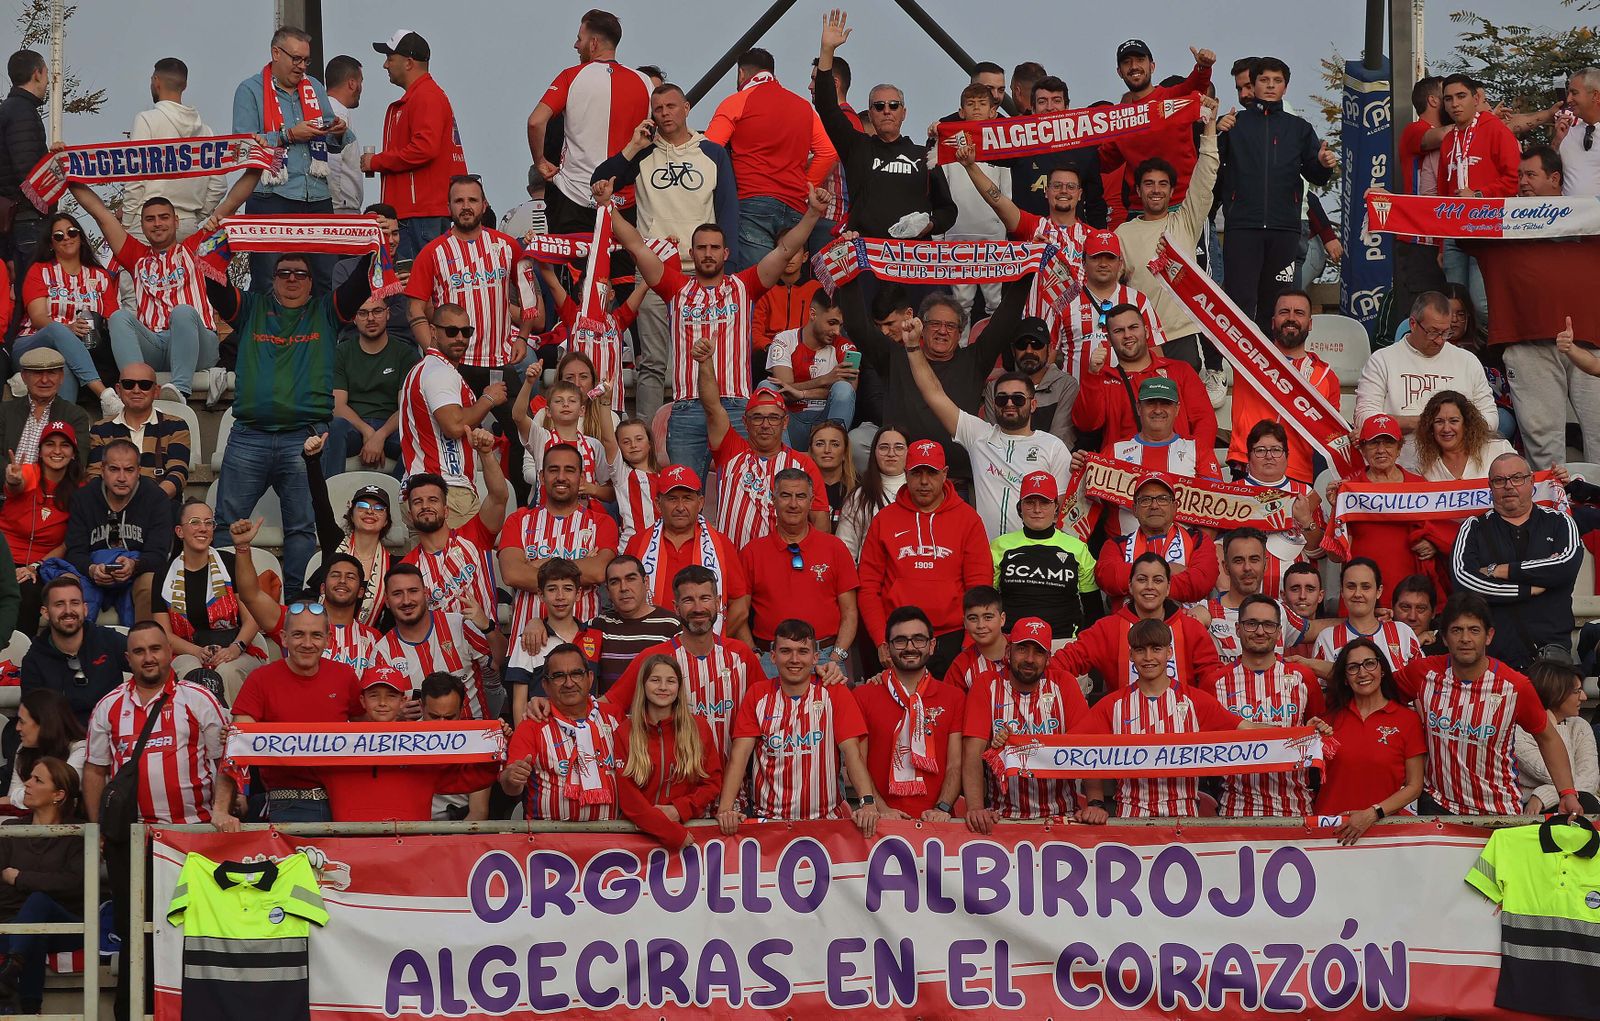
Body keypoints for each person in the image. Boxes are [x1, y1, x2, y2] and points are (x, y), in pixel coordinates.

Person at [609, 179, 827, 479]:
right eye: (702, 248)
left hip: (736, 406)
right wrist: (607, 206)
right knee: (683, 494)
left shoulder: (745, 285)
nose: (708, 253)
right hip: (686, 408)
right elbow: (635, 245)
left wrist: (813, 213)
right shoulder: (676, 288)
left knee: (740, 491)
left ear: (726, 253)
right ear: (692, 252)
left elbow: (787, 249)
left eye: (714, 248)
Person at [83, 620, 234, 1021]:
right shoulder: (109, 706)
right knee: (136, 933)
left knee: (198, 930)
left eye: (156, 648)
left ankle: (199, 1011)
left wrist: (221, 809)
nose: (149, 657)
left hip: (194, 838)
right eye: (139, 651)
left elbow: (228, 761)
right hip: (133, 841)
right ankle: (134, 1012)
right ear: (127, 657)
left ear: (170, 653)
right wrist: (99, 827)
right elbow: (95, 771)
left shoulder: (199, 699)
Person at [206, 250, 373, 595]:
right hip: (249, 436)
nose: (292, 278)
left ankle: (296, 601)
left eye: (300, 273)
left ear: (312, 283)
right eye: (284, 273)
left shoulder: (325, 311)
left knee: (301, 528)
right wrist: (222, 240)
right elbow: (215, 282)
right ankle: (225, 599)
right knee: (225, 526)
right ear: (273, 279)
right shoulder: (252, 308)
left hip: (305, 439)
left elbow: (358, 287)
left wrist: (370, 249)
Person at [591, 82, 739, 421]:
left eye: (671, 107)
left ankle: (705, 425)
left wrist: (726, 269)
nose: (665, 113)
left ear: (686, 108)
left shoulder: (713, 152)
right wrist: (633, 146)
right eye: (658, 109)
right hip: (654, 270)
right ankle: (644, 435)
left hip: (702, 270)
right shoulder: (643, 152)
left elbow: (728, 209)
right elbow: (599, 180)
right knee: (653, 359)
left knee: (704, 356)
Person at [1394, 592, 1583, 816]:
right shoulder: (1422, 673)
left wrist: (1567, 793)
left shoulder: (1515, 686)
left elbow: (1548, 737)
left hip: (1497, 810)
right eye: (1456, 630)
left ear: (1489, 636)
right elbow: (1379, 699)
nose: (1465, 638)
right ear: (1444, 637)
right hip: (1437, 805)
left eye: (1474, 630)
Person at [840, 271, 1028, 487]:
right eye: (934, 324)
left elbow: (1007, 317)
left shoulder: (975, 360)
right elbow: (856, 325)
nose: (942, 331)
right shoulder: (894, 358)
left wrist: (1029, 270)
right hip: (902, 483)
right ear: (921, 326)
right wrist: (849, 272)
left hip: (958, 486)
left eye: (950, 326)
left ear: (960, 333)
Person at [903, 315, 1071, 538]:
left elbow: (1062, 510)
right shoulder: (978, 435)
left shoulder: (1053, 447)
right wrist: (914, 346)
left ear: (1033, 404)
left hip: (1032, 558)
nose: (1009, 404)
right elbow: (933, 393)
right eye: (1002, 399)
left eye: (1018, 399)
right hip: (986, 555)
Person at [1072, 617, 1257, 818]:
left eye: (1156, 649)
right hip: (1130, 821)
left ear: (1169, 652)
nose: (1148, 657)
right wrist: (1097, 803)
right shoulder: (1112, 705)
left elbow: (1246, 729)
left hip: (1184, 821)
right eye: (1140, 650)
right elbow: (1079, 748)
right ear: (1131, 655)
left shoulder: (1196, 701)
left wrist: (1296, 737)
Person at [717, 619, 883, 835]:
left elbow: (853, 755)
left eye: (802, 651)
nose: (794, 659)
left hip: (826, 822)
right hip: (768, 823)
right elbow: (739, 756)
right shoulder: (757, 694)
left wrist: (867, 803)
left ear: (815, 657)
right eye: (786, 651)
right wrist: (725, 809)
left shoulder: (834, 692)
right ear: (773, 656)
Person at [406, 176, 527, 458]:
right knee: (452, 441)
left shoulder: (507, 246)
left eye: (472, 200)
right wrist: (434, 353)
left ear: (484, 205)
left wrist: (523, 335)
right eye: (459, 201)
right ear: (448, 207)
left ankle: (526, 502)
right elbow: (414, 309)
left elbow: (530, 298)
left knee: (524, 440)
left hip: (499, 362)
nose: (466, 206)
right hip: (454, 367)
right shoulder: (432, 252)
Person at [814, 10, 955, 240]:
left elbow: (948, 210)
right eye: (879, 106)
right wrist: (827, 51)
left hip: (910, 262)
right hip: (868, 259)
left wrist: (929, 225)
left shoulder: (924, 156)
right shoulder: (857, 147)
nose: (887, 110)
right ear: (870, 113)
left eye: (893, 105)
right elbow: (827, 107)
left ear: (904, 112)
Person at [858, 440, 992, 678]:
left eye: (931, 472)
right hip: (898, 638)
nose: (923, 481)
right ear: (905, 474)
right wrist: (881, 639)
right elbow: (868, 587)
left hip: (950, 637)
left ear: (945, 474)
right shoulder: (884, 520)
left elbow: (979, 587)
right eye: (916, 473)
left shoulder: (967, 519)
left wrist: (970, 641)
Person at [1219, 57, 1337, 325]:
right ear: (1254, 84)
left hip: (1284, 229)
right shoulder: (1234, 124)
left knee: (1277, 304)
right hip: (1242, 227)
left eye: (1277, 81)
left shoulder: (1300, 128)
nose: (1270, 86)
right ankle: (1235, 365)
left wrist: (1323, 164)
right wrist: (1214, 131)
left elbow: (1314, 177)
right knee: (1239, 301)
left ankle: (1270, 364)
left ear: (1285, 86)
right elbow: (1212, 171)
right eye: (1264, 80)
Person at [233, 26, 350, 290]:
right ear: (276, 52)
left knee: (326, 280)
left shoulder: (315, 87)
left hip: (317, 196)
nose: (301, 66)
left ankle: (324, 332)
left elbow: (333, 141)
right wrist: (287, 135)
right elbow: (243, 146)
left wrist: (338, 132)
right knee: (267, 280)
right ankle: (265, 332)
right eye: (295, 58)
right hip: (271, 197)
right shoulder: (250, 90)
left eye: (306, 60)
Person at [226, 598, 364, 822]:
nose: (307, 643)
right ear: (283, 638)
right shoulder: (261, 680)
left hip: (345, 797)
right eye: (298, 634)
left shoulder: (345, 676)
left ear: (328, 640)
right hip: (287, 800)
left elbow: (371, 730)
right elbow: (237, 745)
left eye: (316, 635)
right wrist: (228, 804)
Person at [608, 565, 767, 758]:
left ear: (718, 603)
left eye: (705, 598)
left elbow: (770, 707)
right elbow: (610, 704)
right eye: (688, 600)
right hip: (675, 783)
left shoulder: (741, 654)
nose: (698, 608)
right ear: (676, 607)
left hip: (736, 782)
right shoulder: (654, 658)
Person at [315, 664, 502, 823]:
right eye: (374, 695)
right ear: (362, 700)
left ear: (402, 700)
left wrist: (496, 745)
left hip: (411, 847)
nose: (382, 702)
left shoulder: (420, 744)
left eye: (391, 695)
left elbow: (475, 778)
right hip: (352, 844)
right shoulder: (340, 743)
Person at [703, 48, 836, 268]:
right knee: (785, 287)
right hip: (795, 208)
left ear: (741, 74)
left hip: (752, 203)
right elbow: (828, 152)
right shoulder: (803, 107)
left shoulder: (737, 101)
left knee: (756, 286)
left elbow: (709, 149)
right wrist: (806, 187)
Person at [1117, 97, 1222, 372]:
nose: (1155, 190)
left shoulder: (1185, 222)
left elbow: (1206, 175)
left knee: (1183, 410)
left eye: (1163, 184)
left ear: (1172, 191)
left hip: (1183, 334)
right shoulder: (1122, 234)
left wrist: (1210, 127)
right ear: (1138, 191)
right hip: (1140, 340)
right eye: (1148, 184)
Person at [1449, 453, 1582, 668]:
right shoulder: (1473, 527)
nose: (1508, 486)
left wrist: (1496, 570)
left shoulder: (1559, 521)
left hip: (1550, 658)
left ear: (1531, 482)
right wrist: (1526, 590)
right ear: (1490, 486)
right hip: (1492, 659)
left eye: (1517, 478)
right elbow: (1464, 582)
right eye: (1499, 480)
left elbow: (1565, 566)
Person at [1202, 594, 1329, 818]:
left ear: (1279, 632)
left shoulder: (1303, 678)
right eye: (1252, 624)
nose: (1260, 632)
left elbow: (1319, 735)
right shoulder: (1214, 682)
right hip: (1234, 809)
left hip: (1296, 808)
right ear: (1238, 628)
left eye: (1269, 625)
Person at [961, 617, 1093, 831]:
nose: (1030, 659)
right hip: (1002, 817)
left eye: (1039, 652)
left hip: (1062, 815)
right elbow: (972, 752)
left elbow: (1087, 748)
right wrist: (976, 807)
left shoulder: (1064, 683)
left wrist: (1094, 802)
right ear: (1008, 652)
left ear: (1048, 658)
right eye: (1022, 649)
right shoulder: (987, 685)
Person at [694, 343, 830, 548]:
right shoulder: (730, 450)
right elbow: (712, 407)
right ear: (745, 422)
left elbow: (820, 520)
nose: (765, 425)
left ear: (785, 422)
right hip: (733, 565)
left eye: (773, 418)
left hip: (781, 567)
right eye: (757, 417)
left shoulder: (803, 465)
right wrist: (705, 362)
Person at [527, 10, 652, 234]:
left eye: (579, 39)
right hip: (625, 199)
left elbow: (535, 122)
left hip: (575, 194)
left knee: (575, 269)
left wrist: (540, 160)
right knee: (620, 269)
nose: (576, 45)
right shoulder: (644, 81)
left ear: (593, 43)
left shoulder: (571, 76)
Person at [950, 135, 1089, 331]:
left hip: (1078, 331)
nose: (1063, 191)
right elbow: (996, 200)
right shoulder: (1032, 226)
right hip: (1034, 335)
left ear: (1080, 194)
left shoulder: (1093, 237)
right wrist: (970, 166)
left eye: (1070, 187)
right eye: (1056, 186)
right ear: (1046, 191)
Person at [499, 443, 618, 656]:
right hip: (526, 649)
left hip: (583, 648)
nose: (561, 477)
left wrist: (536, 565)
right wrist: (579, 568)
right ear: (542, 477)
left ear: (581, 479)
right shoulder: (518, 520)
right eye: (553, 470)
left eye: (569, 470)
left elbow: (599, 571)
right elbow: (512, 574)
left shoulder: (602, 523)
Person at [1324, 414, 1454, 605]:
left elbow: (1443, 532)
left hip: (1411, 595)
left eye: (1389, 443)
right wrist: (1337, 508)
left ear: (1399, 448)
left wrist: (1434, 543)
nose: (1381, 450)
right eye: (1373, 444)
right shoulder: (1351, 488)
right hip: (1364, 596)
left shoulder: (1418, 485)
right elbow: (1334, 556)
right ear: (1362, 449)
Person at [735, 468, 857, 671]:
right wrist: (753, 654)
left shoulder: (835, 548)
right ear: (773, 500)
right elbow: (739, 613)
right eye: (785, 496)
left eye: (800, 496)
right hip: (770, 660)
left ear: (811, 502)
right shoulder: (752, 552)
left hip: (825, 659)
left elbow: (850, 611)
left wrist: (837, 656)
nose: (793, 504)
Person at [1052, 552, 1220, 696]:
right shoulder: (1107, 628)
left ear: (1168, 588)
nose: (1149, 586)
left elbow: (1213, 680)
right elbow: (1063, 663)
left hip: (1181, 726)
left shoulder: (1191, 627)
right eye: (1142, 579)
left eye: (1158, 580)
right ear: (1130, 587)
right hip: (1123, 727)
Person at [362, 30, 467, 260]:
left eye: (390, 58)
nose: (385, 65)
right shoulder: (421, 96)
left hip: (420, 216)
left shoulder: (425, 96)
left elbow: (424, 148)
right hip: (418, 215)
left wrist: (376, 161)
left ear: (408, 62)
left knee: (411, 289)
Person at [854, 606, 966, 820]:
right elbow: (858, 761)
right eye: (901, 640)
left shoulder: (954, 697)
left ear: (932, 646)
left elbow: (955, 763)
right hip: (881, 822)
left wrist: (942, 808)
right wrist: (881, 809)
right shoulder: (863, 695)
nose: (910, 647)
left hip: (937, 822)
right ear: (887, 649)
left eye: (918, 639)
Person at [231, 518, 381, 676]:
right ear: (322, 587)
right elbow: (250, 596)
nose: (342, 581)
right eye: (335, 575)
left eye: (350, 577)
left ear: (361, 592)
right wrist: (242, 548)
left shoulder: (373, 638)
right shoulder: (293, 621)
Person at [398, 303, 505, 523]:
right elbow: (454, 426)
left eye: (466, 332)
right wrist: (489, 399)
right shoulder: (439, 372)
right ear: (433, 331)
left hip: (425, 489)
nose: (460, 338)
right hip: (446, 490)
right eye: (451, 331)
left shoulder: (427, 369)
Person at [1313, 638, 1427, 844]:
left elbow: (1414, 786)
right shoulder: (1326, 721)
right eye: (1353, 667)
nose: (1363, 673)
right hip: (1329, 833)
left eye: (1370, 664)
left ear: (1382, 670)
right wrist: (1310, 736)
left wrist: (1372, 814)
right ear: (1345, 678)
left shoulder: (1408, 720)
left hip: (1383, 835)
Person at [152, 498, 263, 703]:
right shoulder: (164, 575)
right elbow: (163, 634)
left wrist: (235, 648)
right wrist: (197, 651)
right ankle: (195, 729)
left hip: (235, 645)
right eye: (194, 522)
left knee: (228, 670)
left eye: (208, 522)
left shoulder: (229, 563)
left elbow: (254, 617)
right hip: (187, 650)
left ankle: (234, 730)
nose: (203, 528)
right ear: (179, 531)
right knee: (189, 669)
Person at [0, 756, 85, 1014]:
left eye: (37, 780)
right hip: (17, 925)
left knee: (39, 902)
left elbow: (73, 883)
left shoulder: (78, 832)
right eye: (29, 778)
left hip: (66, 924)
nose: (27, 784)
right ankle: (27, 1008)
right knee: (33, 932)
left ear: (58, 794)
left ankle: (10, 981)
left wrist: (21, 878)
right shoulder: (11, 829)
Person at [1226, 290, 1339, 483]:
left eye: (1299, 313)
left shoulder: (1327, 376)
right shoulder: (1247, 355)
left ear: (1310, 324)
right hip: (1248, 464)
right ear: (1272, 321)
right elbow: (1213, 316)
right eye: (1284, 312)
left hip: (1299, 473)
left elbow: (1329, 438)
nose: (1291, 318)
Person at [1356, 292, 1497, 444]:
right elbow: (1364, 418)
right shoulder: (1382, 359)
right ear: (1413, 324)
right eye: (1433, 332)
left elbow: (1490, 419)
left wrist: (1451, 426)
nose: (1440, 340)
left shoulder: (1467, 361)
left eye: (1446, 333)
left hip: (1457, 455)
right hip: (1401, 457)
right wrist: (1420, 422)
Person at [1072, 304, 1215, 455]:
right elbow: (1086, 424)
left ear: (1146, 332)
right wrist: (1092, 375)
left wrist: (1194, 459)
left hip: (1176, 470)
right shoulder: (1103, 379)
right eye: (1118, 331)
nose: (1127, 335)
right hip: (1124, 471)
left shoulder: (1180, 370)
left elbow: (1204, 421)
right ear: (1108, 339)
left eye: (1133, 327)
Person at [15, 212, 120, 413]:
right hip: (33, 342)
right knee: (57, 329)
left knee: (64, 367)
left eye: (72, 232)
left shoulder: (100, 276)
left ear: (80, 238)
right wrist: (68, 328)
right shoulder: (40, 270)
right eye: (58, 236)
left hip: (76, 354)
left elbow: (111, 318)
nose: (67, 238)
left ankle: (64, 428)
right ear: (51, 244)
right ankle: (105, 394)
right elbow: (37, 318)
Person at [1100, 39, 1217, 220]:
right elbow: (1104, 161)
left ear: (1152, 66)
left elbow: (1195, 86)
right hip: (1140, 211)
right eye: (1126, 62)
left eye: (1140, 60)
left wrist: (1203, 67)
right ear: (1119, 72)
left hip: (1183, 205)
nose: (1134, 66)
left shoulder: (1171, 97)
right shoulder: (1118, 118)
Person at [615, 653, 723, 846]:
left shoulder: (698, 727)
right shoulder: (625, 732)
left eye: (671, 681)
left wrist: (679, 809)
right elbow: (628, 798)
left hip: (686, 831)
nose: (663, 687)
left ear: (679, 687)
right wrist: (669, 831)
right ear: (643, 685)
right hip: (638, 837)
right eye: (655, 680)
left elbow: (712, 783)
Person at [1437, 73, 1519, 324]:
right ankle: (1463, 359)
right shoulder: (1449, 139)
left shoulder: (1496, 130)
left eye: (1461, 96)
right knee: (1454, 308)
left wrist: (1479, 195)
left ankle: (1491, 360)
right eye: (1448, 99)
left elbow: (1514, 180)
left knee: (1482, 305)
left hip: (1487, 227)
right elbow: (1442, 192)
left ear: (1477, 98)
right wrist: (1442, 242)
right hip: (1453, 232)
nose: (1454, 104)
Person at [64, 439, 172, 624]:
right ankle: (77, 648)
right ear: (102, 470)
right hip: (93, 572)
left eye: (129, 470)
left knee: (149, 582)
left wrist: (134, 565)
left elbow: (159, 554)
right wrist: (91, 570)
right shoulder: (83, 498)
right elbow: (74, 551)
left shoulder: (156, 498)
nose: (122, 478)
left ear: (139, 471)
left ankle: (142, 645)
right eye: (114, 469)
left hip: (137, 572)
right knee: (66, 581)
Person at [123, 58, 226, 241]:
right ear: (184, 86)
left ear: (156, 81)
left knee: (139, 270)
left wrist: (127, 221)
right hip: (187, 225)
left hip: (146, 222)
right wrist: (194, 216)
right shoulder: (206, 131)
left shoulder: (146, 120)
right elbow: (219, 185)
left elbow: (136, 178)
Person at [990, 471, 1100, 641]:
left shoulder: (1077, 549)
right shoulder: (999, 546)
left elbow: (1093, 608)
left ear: (1056, 506)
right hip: (1011, 642)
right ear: (1020, 507)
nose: (1037, 510)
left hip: (1064, 644)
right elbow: (986, 602)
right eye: (1029, 502)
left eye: (1044, 502)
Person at [623, 466, 744, 618]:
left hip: (707, 639)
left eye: (687, 498)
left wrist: (713, 640)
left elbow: (740, 600)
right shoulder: (638, 543)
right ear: (658, 504)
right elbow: (623, 596)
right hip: (650, 640)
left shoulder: (721, 543)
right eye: (672, 499)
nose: (680, 507)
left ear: (700, 503)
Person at [1051, 230, 1167, 380]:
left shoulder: (1138, 300)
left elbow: (1155, 353)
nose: (1103, 264)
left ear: (1120, 263)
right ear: (1083, 262)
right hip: (1080, 399)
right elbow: (1049, 357)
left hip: (1130, 399)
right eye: (1096, 257)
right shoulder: (1064, 302)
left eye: (1110, 258)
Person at [937, 84, 1009, 323]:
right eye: (971, 104)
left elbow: (1006, 192)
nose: (976, 109)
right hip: (958, 235)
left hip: (993, 235)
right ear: (961, 111)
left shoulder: (1000, 144)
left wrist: (1007, 229)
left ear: (993, 111)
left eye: (982, 104)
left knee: (996, 303)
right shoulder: (947, 145)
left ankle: (999, 357)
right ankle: (959, 354)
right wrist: (940, 237)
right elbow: (941, 193)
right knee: (961, 304)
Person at [398, 466, 507, 619]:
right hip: (438, 641)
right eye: (417, 502)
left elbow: (498, 497)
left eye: (433, 500)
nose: (425, 506)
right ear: (410, 516)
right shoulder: (407, 568)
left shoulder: (475, 535)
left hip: (487, 640)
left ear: (446, 510)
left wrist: (486, 453)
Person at [328, 295, 418, 477]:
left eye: (377, 311)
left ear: (388, 314)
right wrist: (367, 431)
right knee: (333, 428)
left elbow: (405, 407)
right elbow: (337, 406)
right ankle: (327, 498)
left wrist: (380, 435)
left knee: (419, 437)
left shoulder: (406, 354)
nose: (370, 318)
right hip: (352, 426)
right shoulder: (341, 353)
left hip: (392, 427)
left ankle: (397, 497)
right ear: (354, 318)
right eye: (363, 313)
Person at [1094, 474, 1219, 606]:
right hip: (1128, 625)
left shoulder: (1197, 540)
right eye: (1145, 500)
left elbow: (1200, 583)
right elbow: (1107, 578)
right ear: (1135, 509)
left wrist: (1138, 579)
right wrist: (1169, 571)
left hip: (1183, 624)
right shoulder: (1116, 545)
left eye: (1162, 499)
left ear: (1175, 507)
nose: (1154, 505)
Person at [19, 576, 125, 726]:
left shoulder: (108, 639)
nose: (68, 611)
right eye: (59, 604)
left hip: (113, 732)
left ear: (85, 609)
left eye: (75, 603)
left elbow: (149, 668)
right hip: (63, 739)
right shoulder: (34, 660)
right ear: (45, 612)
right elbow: (33, 717)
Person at [1237, 420, 1327, 595]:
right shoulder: (1233, 493)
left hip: (1297, 598)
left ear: (1287, 455)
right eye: (1260, 450)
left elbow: (1318, 553)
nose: (1269, 456)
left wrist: (1306, 521)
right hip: (1245, 597)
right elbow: (1218, 549)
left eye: (1276, 450)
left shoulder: (1306, 494)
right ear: (1249, 455)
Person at [507, 559, 602, 721]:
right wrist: (521, 743)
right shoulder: (527, 640)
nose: (560, 596)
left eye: (567, 589)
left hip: (586, 733)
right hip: (542, 735)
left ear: (578, 594)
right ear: (540, 595)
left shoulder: (595, 637)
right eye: (552, 589)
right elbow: (519, 703)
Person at [1201, 527, 1310, 664]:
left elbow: (1314, 630)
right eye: (1238, 561)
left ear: (1265, 564)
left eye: (1254, 559)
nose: (1247, 568)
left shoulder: (1279, 609)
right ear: (1226, 567)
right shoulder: (1205, 612)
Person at [764, 290, 857, 447]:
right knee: (766, 387)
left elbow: (848, 394)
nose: (837, 331)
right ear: (813, 314)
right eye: (832, 323)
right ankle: (784, 465)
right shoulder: (784, 340)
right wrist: (825, 380)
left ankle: (830, 455)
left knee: (843, 389)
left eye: (840, 325)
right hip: (790, 421)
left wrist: (801, 394)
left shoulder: (847, 347)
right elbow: (783, 391)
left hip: (825, 422)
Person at [87, 362, 190, 502]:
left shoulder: (176, 426)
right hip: (113, 507)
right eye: (129, 384)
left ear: (156, 391)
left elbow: (178, 474)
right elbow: (95, 476)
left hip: (160, 508)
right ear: (118, 389)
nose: (136, 390)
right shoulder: (100, 429)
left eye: (145, 385)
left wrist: (146, 505)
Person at [587, 556, 682, 694]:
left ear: (646, 582)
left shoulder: (672, 625)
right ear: (607, 591)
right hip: (610, 714)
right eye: (615, 582)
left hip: (655, 715)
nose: (624, 588)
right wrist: (542, 623)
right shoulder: (598, 625)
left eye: (631, 579)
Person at [1308, 558, 1423, 673]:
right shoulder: (1326, 638)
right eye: (1351, 586)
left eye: (1366, 587)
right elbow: (1320, 689)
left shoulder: (1403, 632)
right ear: (1342, 591)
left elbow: (1421, 681)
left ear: (1379, 591)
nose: (1358, 594)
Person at [1515, 659, 1600, 814]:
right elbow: (1558, 774)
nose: (1584, 697)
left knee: (1586, 801)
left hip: (1557, 801)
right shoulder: (1519, 730)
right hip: (1527, 807)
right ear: (1554, 694)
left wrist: (1542, 795)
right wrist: (1552, 726)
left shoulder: (1580, 726)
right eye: (1577, 691)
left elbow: (1588, 782)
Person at [982, 318, 1078, 447]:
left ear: (1049, 349)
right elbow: (992, 439)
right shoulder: (995, 387)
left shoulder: (1065, 385)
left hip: (1049, 464)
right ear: (1012, 350)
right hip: (1004, 464)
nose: (1029, 351)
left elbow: (1061, 440)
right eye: (1022, 345)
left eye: (1036, 344)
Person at [0, 50, 50, 283]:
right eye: (47, 74)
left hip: (15, 218)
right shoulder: (22, 112)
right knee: (33, 290)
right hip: (27, 219)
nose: (48, 81)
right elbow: (29, 171)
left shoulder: (11, 109)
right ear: (37, 73)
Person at [0, 349, 90, 470]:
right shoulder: (5, 411)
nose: (44, 380)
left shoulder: (75, 416)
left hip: (52, 487)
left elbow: (79, 462)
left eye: (52, 373)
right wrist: (12, 478)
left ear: (61, 377)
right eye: (37, 373)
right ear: (24, 377)